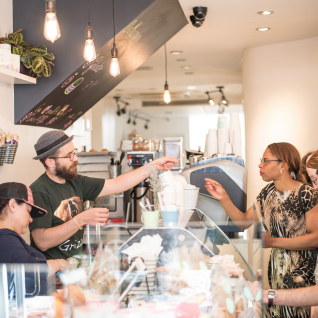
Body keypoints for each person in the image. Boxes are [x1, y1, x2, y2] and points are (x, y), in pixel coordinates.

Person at [205, 142, 318, 318]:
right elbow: (243, 222)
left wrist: (273, 241)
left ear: (283, 165)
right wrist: (223, 197)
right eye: (261, 161)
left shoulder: (307, 193)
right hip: (276, 274)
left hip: (302, 277)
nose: (260, 165)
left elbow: (315, 239)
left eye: (265, 161)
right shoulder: (267, 193)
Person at [29, 130, 177, 261]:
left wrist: (153, 166)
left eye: (74, 152)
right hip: (52, 276)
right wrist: (80, 219)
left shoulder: (75, 181)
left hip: (76, 269)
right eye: (69, 156)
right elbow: (42, 241)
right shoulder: (39, 191)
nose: (75, 159)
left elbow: (117, 184)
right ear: (50, 162)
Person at [0, 182, 69, 294]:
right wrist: (59, 263)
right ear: (12, 205)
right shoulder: (5, 238)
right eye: (28, 211)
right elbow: (32, 269)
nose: (31, 219)